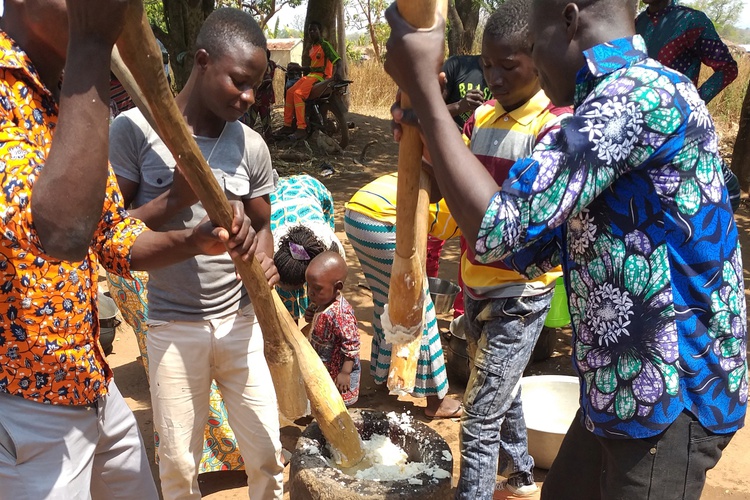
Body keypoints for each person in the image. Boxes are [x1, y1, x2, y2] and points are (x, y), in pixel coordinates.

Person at [383, 0, 746, 498]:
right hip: (621, 388)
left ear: (570, 21)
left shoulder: (636, 98)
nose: (532, 60)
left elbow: (498, 226)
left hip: (668, 396)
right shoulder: (618, 100)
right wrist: (433, 135)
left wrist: (424, 88)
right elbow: (530, 244)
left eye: (533, 45)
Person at [0, 2, 260, 498]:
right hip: (22, 408)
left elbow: (109, 238)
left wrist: (193, 241)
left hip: (90, 381)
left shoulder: (61, 98)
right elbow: (61, 234)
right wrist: (92, 43)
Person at [109, 8, 283, 500]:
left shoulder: (250, 145)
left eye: (256, 86)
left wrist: (263, 258)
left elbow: (263, 223)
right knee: (180, 462)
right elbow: (111, 235)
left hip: (240, 324)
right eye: (239, 82)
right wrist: (174, 201)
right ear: (203, 61)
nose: (249, 98)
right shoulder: (134, 131)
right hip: (172, 325)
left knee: (267, 451)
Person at [444, 2, 572, 498]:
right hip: (475, 281)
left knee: (478, 418)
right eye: (487, 65)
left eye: (507, 66)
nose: (493, 77)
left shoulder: (553, 126)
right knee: (505, 389)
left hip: (520, 294)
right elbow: (457, 190)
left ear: (537, 59)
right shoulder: (479, 118)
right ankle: (519, 476)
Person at [344, 173, 462, 419]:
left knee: (387, 299)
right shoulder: (456, 201)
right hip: (382, 222)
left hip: (356, 215)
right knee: (420, 310)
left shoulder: (450, 173)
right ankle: (436, 401)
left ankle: (382, 374)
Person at [271, 174, 345, 320]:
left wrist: (320, 306)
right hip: (274, 196)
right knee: (284, 302)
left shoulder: (330, 245)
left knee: (322, 277)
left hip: (311, 188)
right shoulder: (270, 246)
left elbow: (334, 283)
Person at [635, 0, 738, 105]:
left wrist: (693, 103)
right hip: (635, 113)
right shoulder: (638, 22)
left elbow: (728, 68)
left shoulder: (692, 21)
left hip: (674, 116)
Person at [304, 251, 361, 406]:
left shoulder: (342, 314)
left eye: (317, 288)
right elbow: (318, 319)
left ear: (337, 287)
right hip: (323, 363)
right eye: (308, 286)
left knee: (337, 402)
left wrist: (345, 372)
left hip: (338, 368)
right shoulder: (323, 301)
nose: (310, 293)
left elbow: (351, 344)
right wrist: (311, 315)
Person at [276, 21, 343, 140]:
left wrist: (337, 72)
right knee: (290, 92)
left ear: (319, 32)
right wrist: (300, 68)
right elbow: (312, 67)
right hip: (311, 75)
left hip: (321, 77)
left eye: (314, 30)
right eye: (310, 31)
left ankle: (301, 128)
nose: (312, 33)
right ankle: (287, 125)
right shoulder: (312, 48)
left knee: (298, 94)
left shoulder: (325, 45)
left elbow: (337, 60)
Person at [242, 48, 277, 141]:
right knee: (262, 116)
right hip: (263, 96)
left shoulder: (267, 66)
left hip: (261, 96)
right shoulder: (271, 65)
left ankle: (250, 136)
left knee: (257, 116)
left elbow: (266, 80)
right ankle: (267, 136)